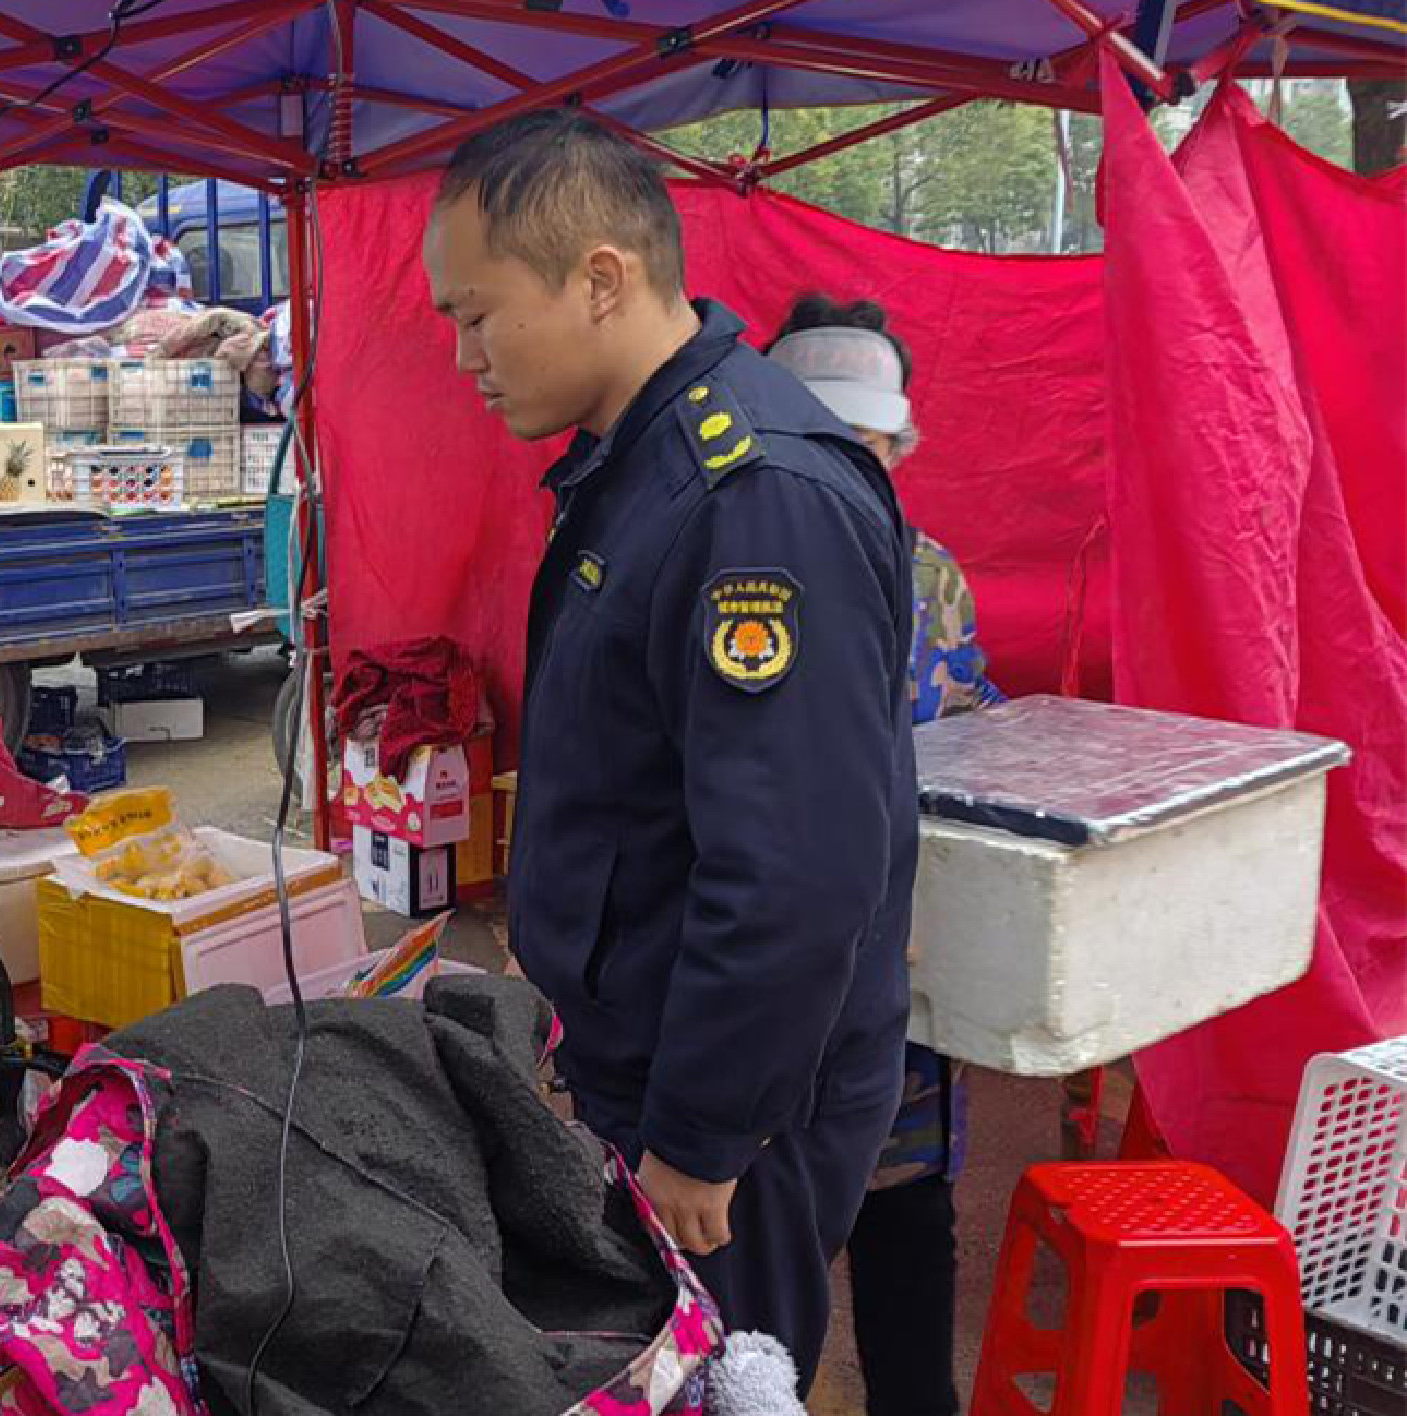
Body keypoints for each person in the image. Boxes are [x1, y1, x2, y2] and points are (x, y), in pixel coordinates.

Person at [422, 112, 917, 1388]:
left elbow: (796, 873)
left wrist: (701, 1135)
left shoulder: (751, 496)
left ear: (601, 278)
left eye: (477, 314)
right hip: (656, 1061)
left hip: (737, 1107)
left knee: (722, 1378)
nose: (463, 356)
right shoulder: (638, 462)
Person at [768, 293, 1002, 1416]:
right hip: (766, 990)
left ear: (898, 445)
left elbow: (966, 729)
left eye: (866, 443)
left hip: (900, 982)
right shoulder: (735, 568)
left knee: (908, 1231)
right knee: (761, 1278)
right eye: (820, 437)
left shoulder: (935, 576)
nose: (847, 467)